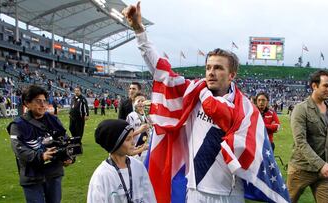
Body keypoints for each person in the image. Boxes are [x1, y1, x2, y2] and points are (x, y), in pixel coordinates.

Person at [122, 3, 289, 203]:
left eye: (218, 68)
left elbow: (251, 151)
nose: (211, 72)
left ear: (231, 75)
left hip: (228, 194)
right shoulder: (193, 92)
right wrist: (139, 31)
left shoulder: (245, 109)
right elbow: (160, 70)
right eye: (208, 67)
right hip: (194, 191)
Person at [7, 85, 73, 203]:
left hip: (53, 173)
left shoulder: (53, 120)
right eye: (38, 101)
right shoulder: (17, 125)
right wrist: (41, 156)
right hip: (32, 176)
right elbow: (19, 149)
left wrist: (68, 156)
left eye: (44, 101)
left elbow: (65, 139)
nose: (43, 105)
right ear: (27, 103)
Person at [287, 70, 328, 203]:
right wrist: (322, 165)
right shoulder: (300, 109)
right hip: (301, 169)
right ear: (314, 86)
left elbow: (327, 139)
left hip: (323, 172)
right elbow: (300, 142)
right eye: (326, 85)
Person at [87, 119, 156, 203]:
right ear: (115, 143)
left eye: (132, 137)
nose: (133, 142)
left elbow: (149, 197)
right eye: (128, 139)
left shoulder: (138, 166)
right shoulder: (102, 176)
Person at [126, 93, 150, 161]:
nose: (140, 103)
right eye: (138, 101)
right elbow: (126, 135)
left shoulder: (149, 116)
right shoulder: (131, 116)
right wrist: (139, 131)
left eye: (142, 101)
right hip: (136, 151)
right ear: (134, 103)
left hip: (148, 149)